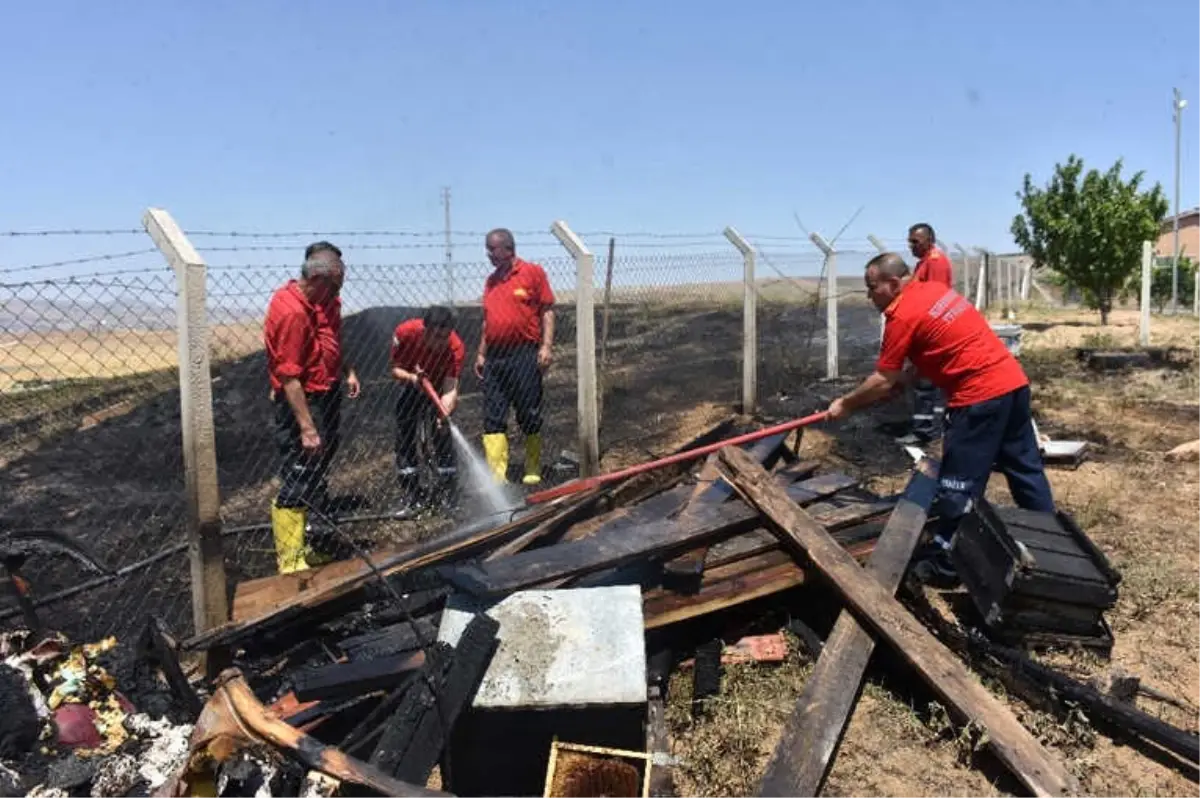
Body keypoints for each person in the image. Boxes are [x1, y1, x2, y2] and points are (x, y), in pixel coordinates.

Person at [826, 252, 1055, 583]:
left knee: (958, 484)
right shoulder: (934, 292)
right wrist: (906, 379)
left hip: (979, 399)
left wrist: (845, 405)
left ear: (892, 284)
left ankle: (947, 566)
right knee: (1025, 468)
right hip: (1012, 385)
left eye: (871, 287)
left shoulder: (900, 314)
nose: (868, 295)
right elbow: (939, 346)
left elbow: (881, 380)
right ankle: (1049, 543)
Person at [263, 242, 360, 573]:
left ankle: (306, 545)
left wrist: (345, 370)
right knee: (299, 474)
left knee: (314, 471)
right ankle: (290, 560)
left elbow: (328, 344)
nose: (334, 297)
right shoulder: (292, 313)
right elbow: (290, 377)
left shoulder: (311, 303)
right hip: (302, 403)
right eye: (333, 288)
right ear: (319, 279)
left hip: (321, 394)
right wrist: (306, 427)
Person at [475, 228, 555, 485]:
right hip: (495, 359)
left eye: (493, 249)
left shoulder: (532, 273)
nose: (489, 254)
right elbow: (488, 322)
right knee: (493, 415)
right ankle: (497, 477)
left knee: (528, 411)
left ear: (508, 249)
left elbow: (547, 311)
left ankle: (532, 466)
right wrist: (480, 353)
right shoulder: (491, 282)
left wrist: (546, 346)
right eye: (487, 249)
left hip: (524, 354)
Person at [390, 306, 465, 514]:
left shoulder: (455, 347)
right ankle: (411, 495)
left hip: (439, 388)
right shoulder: (405, 333)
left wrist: (444, 412)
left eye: (445, 336)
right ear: (425, 331)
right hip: (411, 384)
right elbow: (395, 370)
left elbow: (451, 387)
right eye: (437, 337)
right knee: (405, 438)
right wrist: (414, 379)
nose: (442, 343)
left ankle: (448, 495)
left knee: (443, 437)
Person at [902, 223, 954, 442]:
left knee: (927, 382)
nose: (911, 245)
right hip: (932, 328)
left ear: (929, 240)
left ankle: (926, 431)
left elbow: (934, 299)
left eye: (916, 241)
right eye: (910, 241)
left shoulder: (935, 262)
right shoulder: (925, 262)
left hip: (933, 330)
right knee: (932, 382)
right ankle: (935, 429)